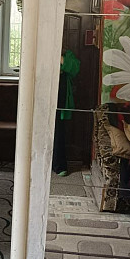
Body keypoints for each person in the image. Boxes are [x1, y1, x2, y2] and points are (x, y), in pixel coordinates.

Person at [53, 48, 80, 176]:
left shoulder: (68, 54)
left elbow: (75, 68)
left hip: (61, 98)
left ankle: (59, 165)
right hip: (43, 95)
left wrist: (60, 59)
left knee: (59, 132)